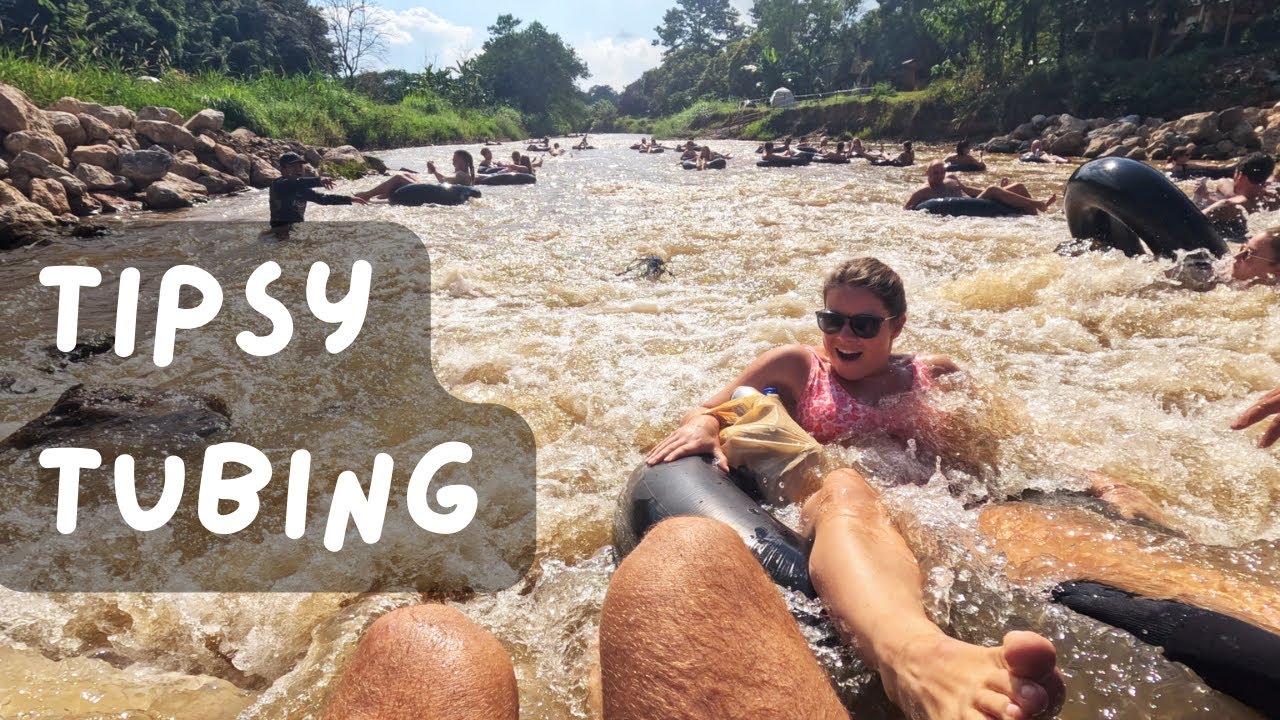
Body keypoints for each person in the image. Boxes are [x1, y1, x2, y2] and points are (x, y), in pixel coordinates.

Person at [643, 258, 1065, 720]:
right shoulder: (797, 366)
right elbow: (708, 407)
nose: (844, 336)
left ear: (896, 326)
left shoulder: (936, 374)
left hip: (932, 507)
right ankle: (917, 660)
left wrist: (1102, 484)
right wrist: (705, 425)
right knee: (845, 483)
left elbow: (1013, 446)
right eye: (832, 320)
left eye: (864, 325)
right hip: (842, 502)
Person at [905, 161, 1057, 214]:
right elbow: (906, 209)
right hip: (963, 208)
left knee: (1019, 186)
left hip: (975, 202)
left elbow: (969, 191)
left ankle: (1034, 218)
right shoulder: (922, 191)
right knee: (992, 189)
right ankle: (1039, 204)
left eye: (942, 172)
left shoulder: (951, 178)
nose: (939, 176)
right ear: (927, 172)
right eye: (935, 173)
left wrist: (1001, 190)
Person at [268, 152, 367, 227]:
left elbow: (322, 199)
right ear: (282, 170)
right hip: (279, 230)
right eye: (293, 166)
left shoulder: (301, 189)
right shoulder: (278, 185)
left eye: (300, 166)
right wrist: (319, 180)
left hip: (295, 228)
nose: (298, 169)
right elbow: (296, 183)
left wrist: (350, 199)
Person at [1194, 152, 1278, 239]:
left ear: (1240, 175)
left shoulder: (1227, 205)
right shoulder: (1274, 199)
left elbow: (1189, 222)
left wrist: (1199, 197)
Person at [354, 150, 476, 201]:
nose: (453, 162)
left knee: (399, 177)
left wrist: (434, 170)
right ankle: (385, 193)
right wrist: (432, 171)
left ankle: (367, 195)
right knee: (406, 174)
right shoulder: (462, 174)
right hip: (436, 190)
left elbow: (443, 179)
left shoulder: (462, 174)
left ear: (463, 161)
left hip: (434, 192)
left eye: (455, 160)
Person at [1166, 144, 1235, 180]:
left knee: (1215, 171)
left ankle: (1231, 168)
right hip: (1181, 179)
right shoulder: (1171, 167)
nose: (1190, 156)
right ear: (1179, 156)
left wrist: (1209, 166)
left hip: (1189, 177)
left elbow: (1197, 166)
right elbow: (1171, 170)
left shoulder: (1184, 165)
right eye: (1187, 155)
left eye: (1190, 154)